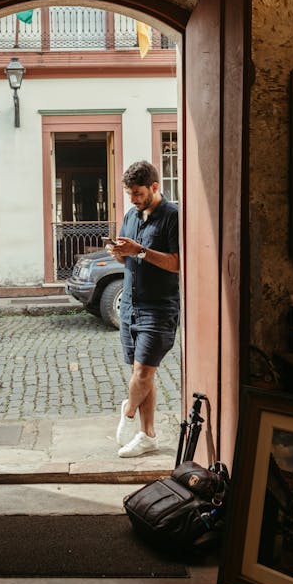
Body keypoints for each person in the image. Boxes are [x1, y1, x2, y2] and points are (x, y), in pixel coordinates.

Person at [106, 160, 180, 458]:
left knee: (144, 370)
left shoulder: (172, 216)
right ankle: (148, 435)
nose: (134, 200)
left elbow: (177, 263)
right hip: (131, 307)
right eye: (129, 195)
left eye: (138, 194)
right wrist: (119, 253)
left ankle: (127, 411)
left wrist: (139, 250)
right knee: (145, 375)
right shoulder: (131, 216)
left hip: (159, 307)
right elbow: (128, 259)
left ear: (153, 187)